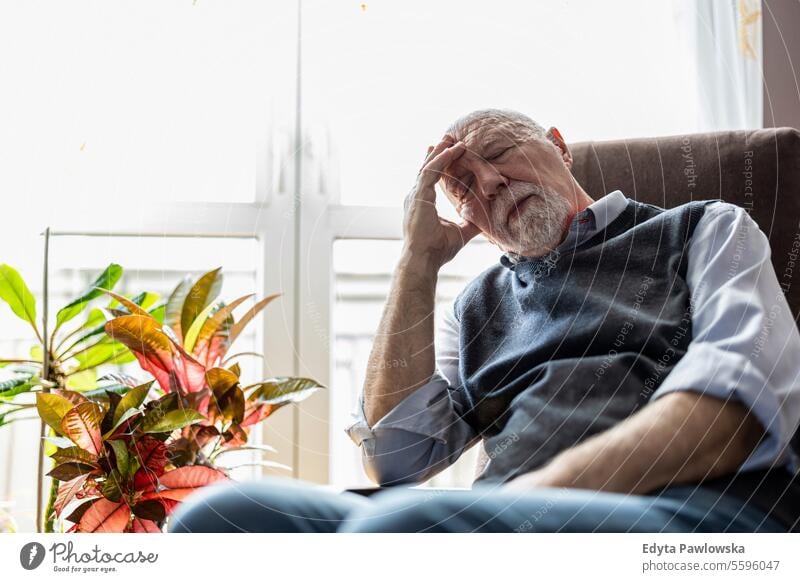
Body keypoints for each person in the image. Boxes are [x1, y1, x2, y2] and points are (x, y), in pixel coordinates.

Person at [170, 109, 800, 533]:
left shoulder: (702, 229)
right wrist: (417, 263)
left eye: (500, 153)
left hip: (684, 504)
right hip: (506, 516)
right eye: (463, 186)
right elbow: (395, 459)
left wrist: (525, 500)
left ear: (558, 146)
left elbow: (736, 406)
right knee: (217, 519)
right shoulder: (478, 307)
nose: (492, 182)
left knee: (399, 531)